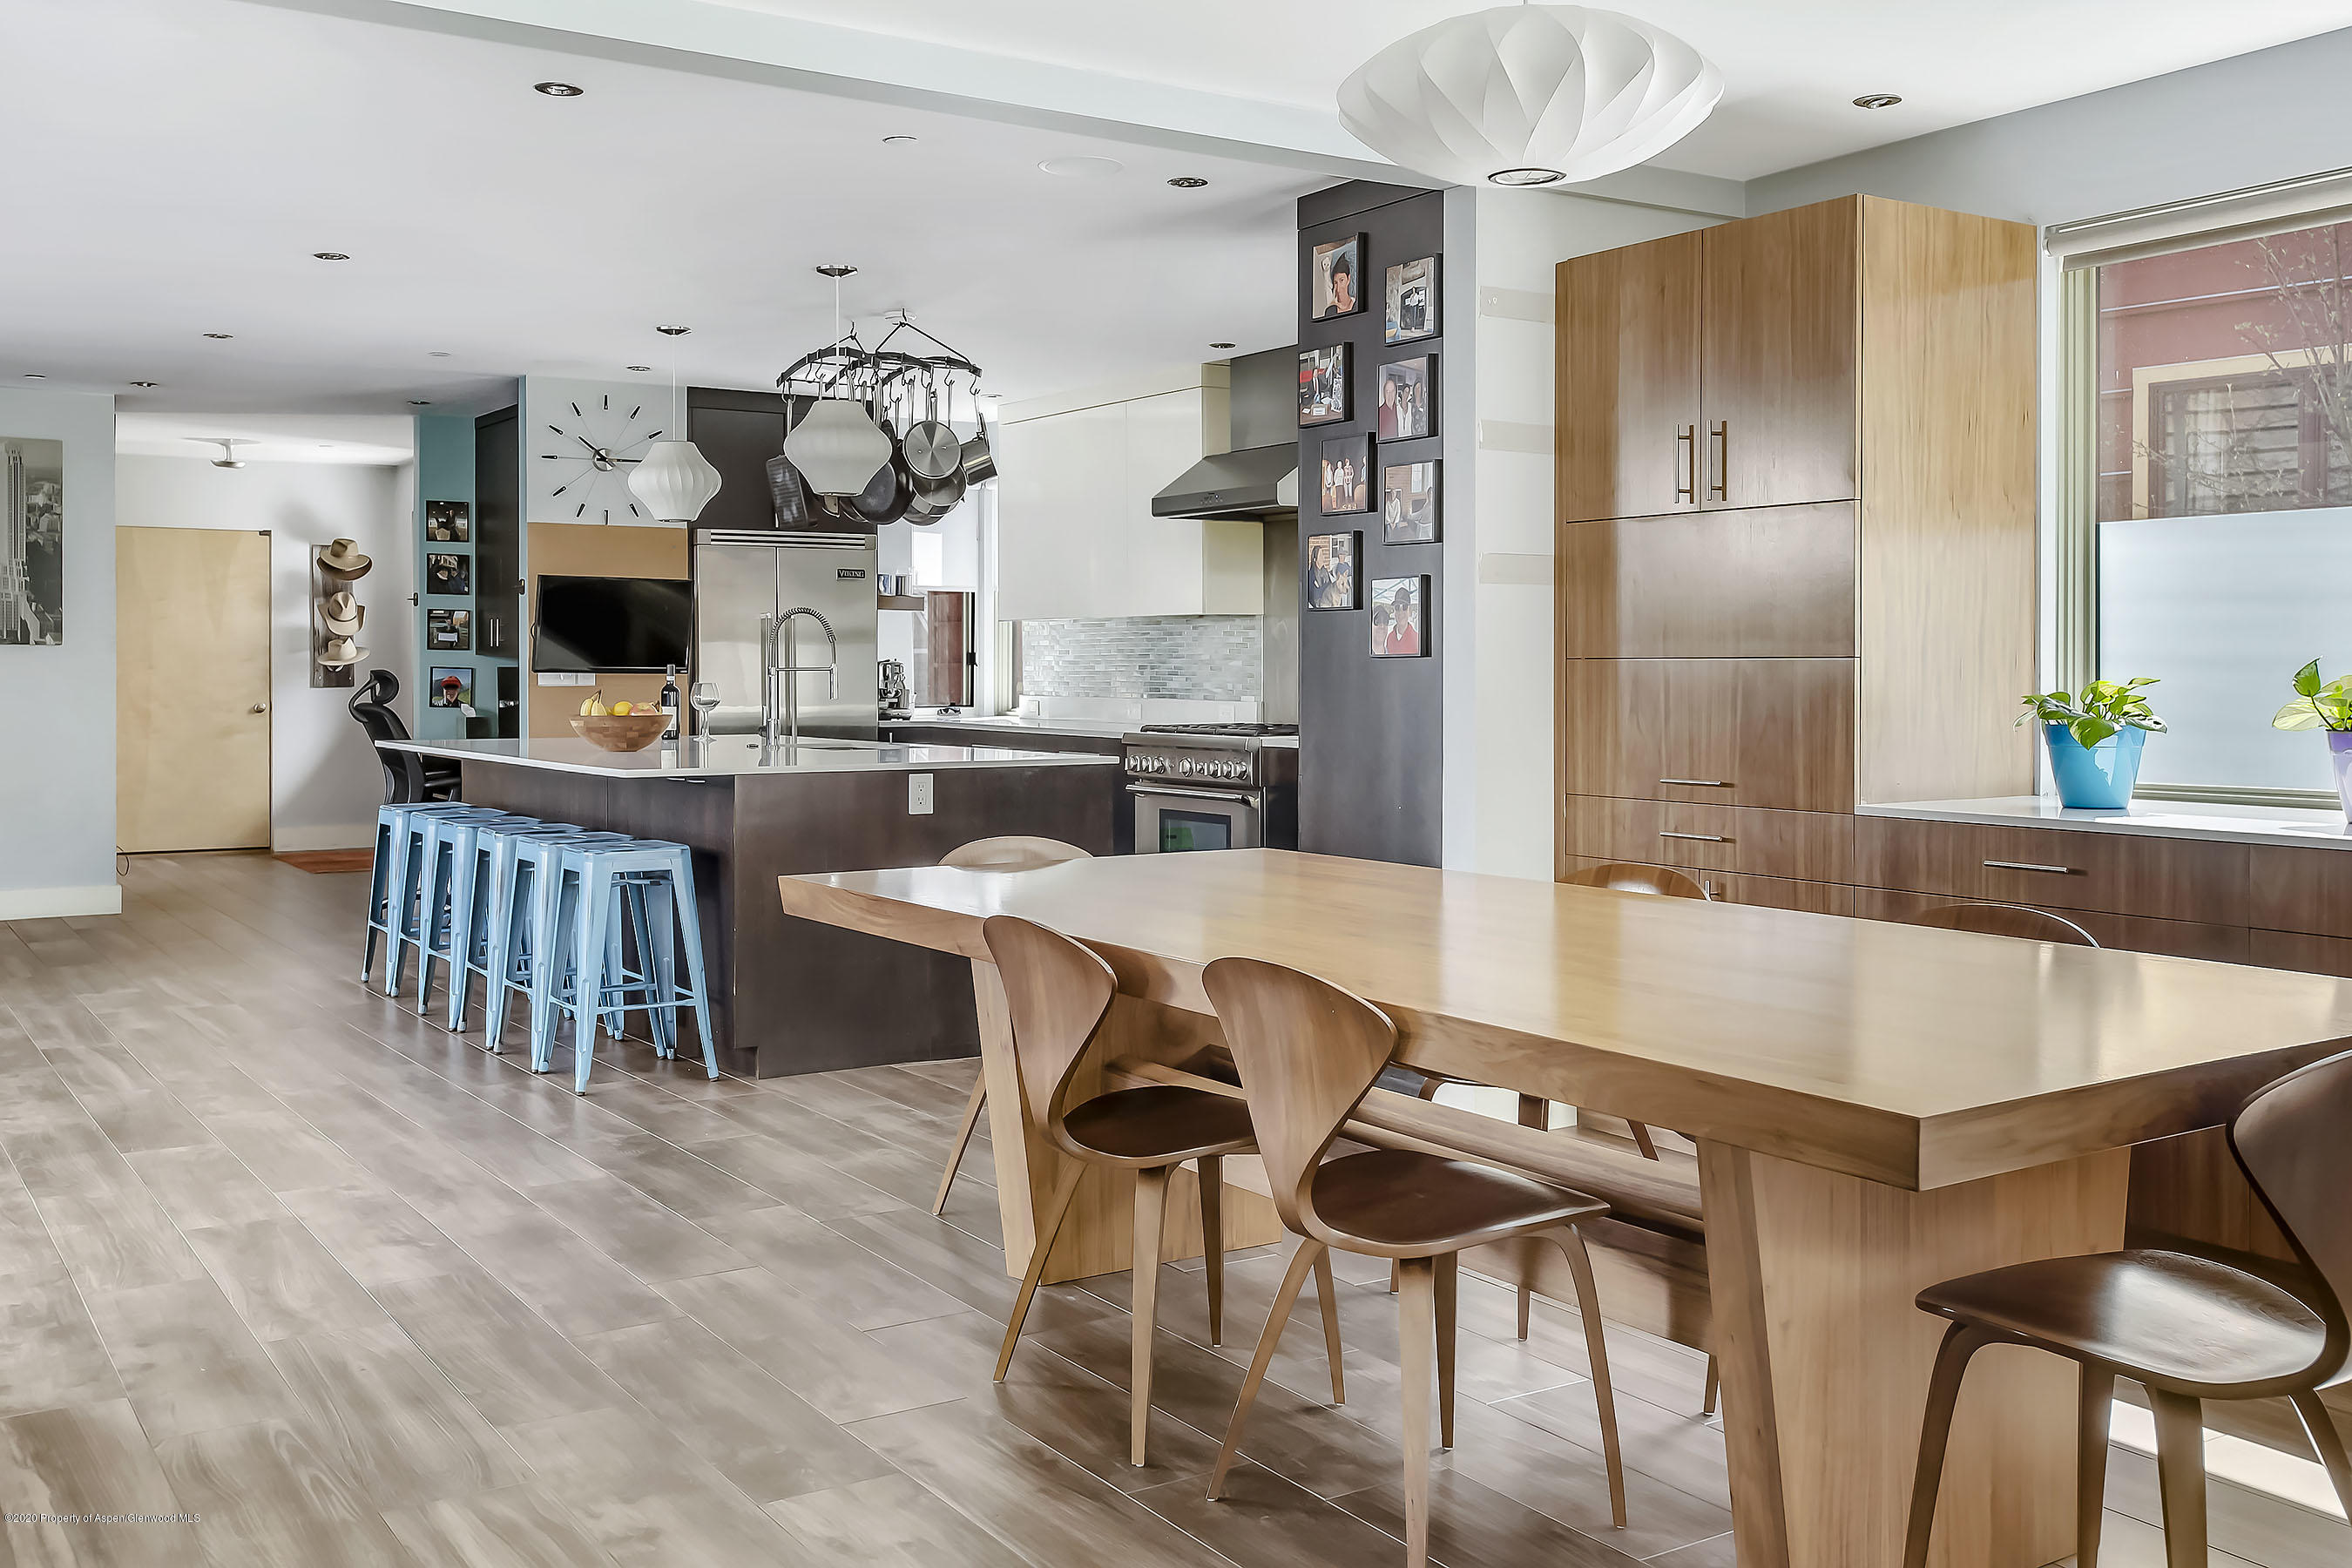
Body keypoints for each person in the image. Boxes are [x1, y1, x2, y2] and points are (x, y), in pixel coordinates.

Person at [1385, 585, 1421, 656]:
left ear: (1409, 611)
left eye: (1404, 607)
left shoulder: (1418, 640)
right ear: (1394, 611)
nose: (1400, 612)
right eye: (1397, 607)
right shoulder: (1389, 638)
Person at [1327, 249, 1356, 316]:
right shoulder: (1330, 311)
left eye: (1342, 280)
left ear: (1348, 279)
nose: (1338, 288)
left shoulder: (1356, 306)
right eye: (1336, 282)